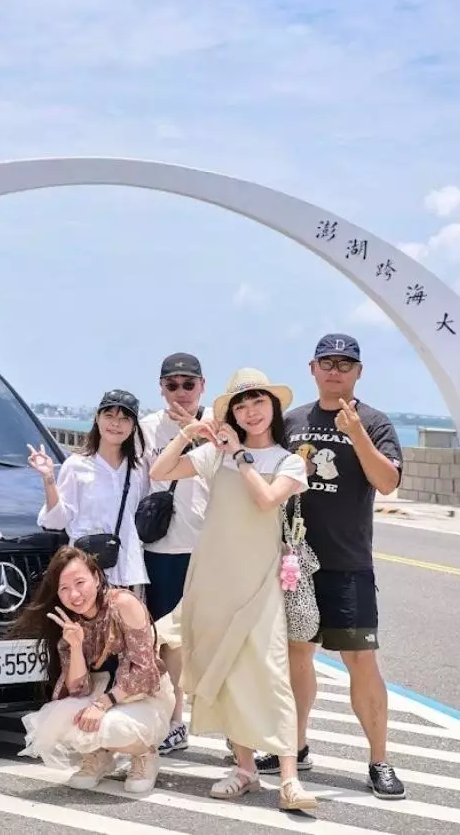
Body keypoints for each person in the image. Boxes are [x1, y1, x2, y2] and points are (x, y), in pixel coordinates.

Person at [151, 369, 319, 811]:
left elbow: (267, 500)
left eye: (258, 402)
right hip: (213, 578)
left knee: (271, 674)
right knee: (225, 672)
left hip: (260, 583)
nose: (250, 412)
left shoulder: (288, 461)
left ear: (273, 407)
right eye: (241, 406)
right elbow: (159, 470)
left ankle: (288, 778)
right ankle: (244, 770)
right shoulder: (214, 455)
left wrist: (241, 456)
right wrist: (188, 433)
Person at [263, 334, 406, 799]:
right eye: (327, 363)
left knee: (360, 659)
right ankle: (295, 746)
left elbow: (387, 482)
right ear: (312, 368)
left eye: (346, 364)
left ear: (359, 372)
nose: (335, 371)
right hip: (295, 564)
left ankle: (379, 760)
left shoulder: (375, 422)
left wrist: (356, 433)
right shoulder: (292, 421)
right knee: (297, 656)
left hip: (348, 563)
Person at [10, 546, 173, 794]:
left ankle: (144, 754)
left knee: (114, 726)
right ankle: (99, 755)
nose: (74, 595)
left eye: (80, 582)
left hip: (143, 695)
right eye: (64, 588)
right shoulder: (69, 621)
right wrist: (75, 646)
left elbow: (145, 673)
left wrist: (102, 704)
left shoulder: (123, 604)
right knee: (56, 719)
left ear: (96, 578)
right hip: (99, 691)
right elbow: (77, 689)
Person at [138, 352, 212, 754]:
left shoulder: (219, 425)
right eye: (172, 384)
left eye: (189, 384)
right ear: (161, 387)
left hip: (210, 549)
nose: (181, 392)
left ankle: (234, 730)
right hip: (162, 548)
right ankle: (174, 720)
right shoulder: (148, 428)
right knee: (167, 641)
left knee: (215, 639)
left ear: (203, 385)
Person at [28, 390, 150, 591]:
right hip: (87, 570)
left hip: (127, 573)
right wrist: (48, 478)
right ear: (97, 417)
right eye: (109, 415)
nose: (116, 424)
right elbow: (57, 520)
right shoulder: (76, 465)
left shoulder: (137, 468)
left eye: (124, 419)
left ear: (133, 426)